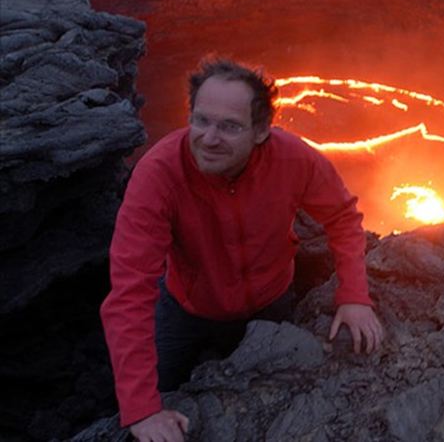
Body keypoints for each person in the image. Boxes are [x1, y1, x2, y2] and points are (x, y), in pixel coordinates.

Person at [100, 57, 384, 442]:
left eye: (230, 126)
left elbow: (342, 217)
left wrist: (353, 296)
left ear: (262, 131)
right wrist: (142, 408)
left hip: (271, 302)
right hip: (186, 310)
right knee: (162, 390)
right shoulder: (159, 175)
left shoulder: (292, 158)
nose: (210, 138)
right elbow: (130, 290)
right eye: (201, 120)